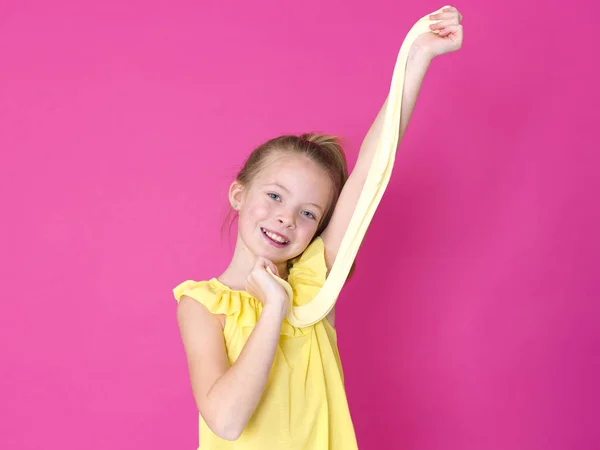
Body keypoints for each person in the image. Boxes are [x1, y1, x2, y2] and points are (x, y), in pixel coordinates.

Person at [174, 6, 464, 449]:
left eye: (309, 213)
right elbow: (227, 423)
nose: (287, 217)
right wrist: (273, 307)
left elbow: (370, 173)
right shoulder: (202, 305)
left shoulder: (314, 283)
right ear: (239, 195)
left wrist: (416, 56)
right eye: (274, 196)